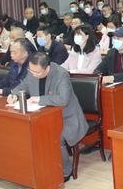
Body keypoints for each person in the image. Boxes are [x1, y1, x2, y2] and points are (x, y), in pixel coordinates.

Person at [8, 52, 87, 182]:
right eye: (31, 71)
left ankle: (65, 171)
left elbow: (63, 99)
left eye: (37, 72)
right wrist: (14, 95)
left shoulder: (61, 74)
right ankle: (39, 167)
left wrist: (38, 99)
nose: (33, 74)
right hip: (42, 116)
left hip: (66, 117)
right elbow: (22, 86)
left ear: (47, 68)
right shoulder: (33, 70)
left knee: (55, 136)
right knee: (27, 132)